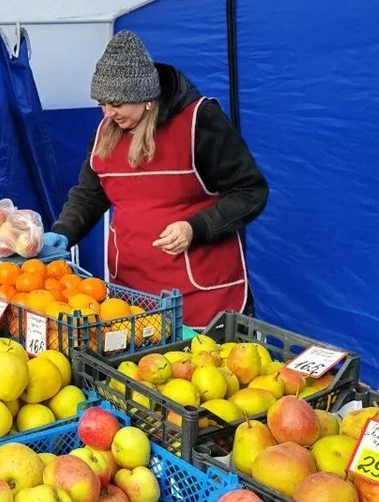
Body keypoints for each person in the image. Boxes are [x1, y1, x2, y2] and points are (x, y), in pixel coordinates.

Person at [47, 31, 269, 329]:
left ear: (145, 98)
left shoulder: (199, 121)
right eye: (102, 103)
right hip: (131, 294)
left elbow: (250, 191)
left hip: (201, 297)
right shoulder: (105, 131)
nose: (108, 113)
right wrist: (64, 231)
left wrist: (195, 227)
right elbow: (89, 194)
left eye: (116, 103)